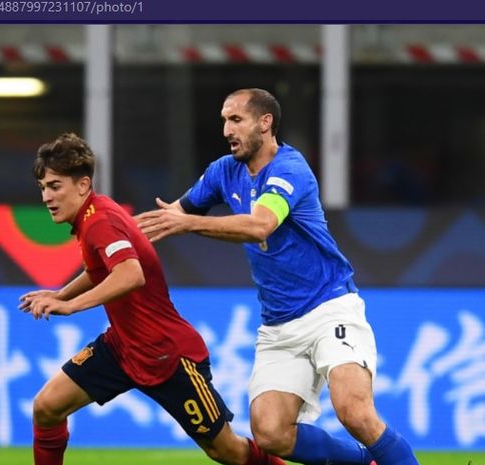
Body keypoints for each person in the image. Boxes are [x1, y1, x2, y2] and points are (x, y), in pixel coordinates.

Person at [136, 88, 419, 465]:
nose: (226, 129)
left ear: (265, 123)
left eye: (235, 119)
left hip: (330, 307)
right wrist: (114, 234)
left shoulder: (290, 169)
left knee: (354, 412)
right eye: (224, 120)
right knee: (270, 433)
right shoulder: (224, 171)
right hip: (279, 325)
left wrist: (186, 223)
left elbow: (260, 225)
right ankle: (364, 461)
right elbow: (170, 216)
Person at [19, 132, 287, 465]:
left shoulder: (100, 221)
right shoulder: (94, 215)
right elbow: (101, 269)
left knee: (227, 450)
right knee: (47, 407)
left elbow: (130, 274)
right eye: (43, 187)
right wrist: (60, 293)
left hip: (166, 356)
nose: (46, 196)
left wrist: (70, 306)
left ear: (83, 184)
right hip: (121, 348)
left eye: (55, 186)